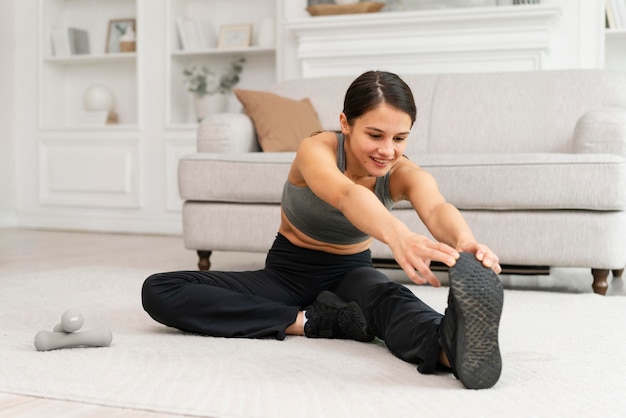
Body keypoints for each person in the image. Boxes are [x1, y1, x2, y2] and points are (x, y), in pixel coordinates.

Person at [142, 70, 504, 390]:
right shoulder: (316, 149)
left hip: (351, 273)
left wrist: (466, 242)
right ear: (345, 123)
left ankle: (450, 347)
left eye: (399, 138)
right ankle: (311, 322)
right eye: (375, 135)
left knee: (391, 302)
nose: (387, 150)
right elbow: (346, 195)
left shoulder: (404, 172)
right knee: (160, 289)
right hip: (287, 274)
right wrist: (398, 235)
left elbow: (437, 207)